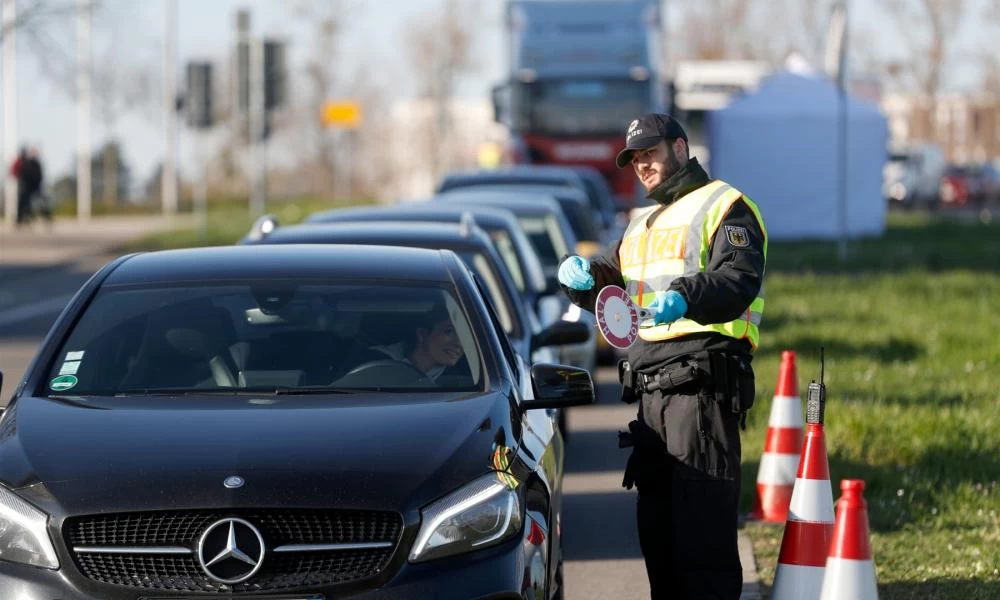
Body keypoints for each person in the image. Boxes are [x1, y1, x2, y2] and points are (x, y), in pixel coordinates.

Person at [557, 113, 767, 599]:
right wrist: (580, 279)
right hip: (651, 402)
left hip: (700, 393)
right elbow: (610, 285)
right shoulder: (640, 225)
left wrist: (685, 297)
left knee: (702, 549)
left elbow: (737, 279)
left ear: (680, 147)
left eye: (650, 153)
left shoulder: (726, 205)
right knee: (661, 545)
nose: (642, 165)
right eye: (635, 159)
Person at [370, 306, 465, 383]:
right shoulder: (374, 362)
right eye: (449, 331)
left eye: (465, 335)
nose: (459, 343)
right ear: (422, 334)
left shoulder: (463, 379)